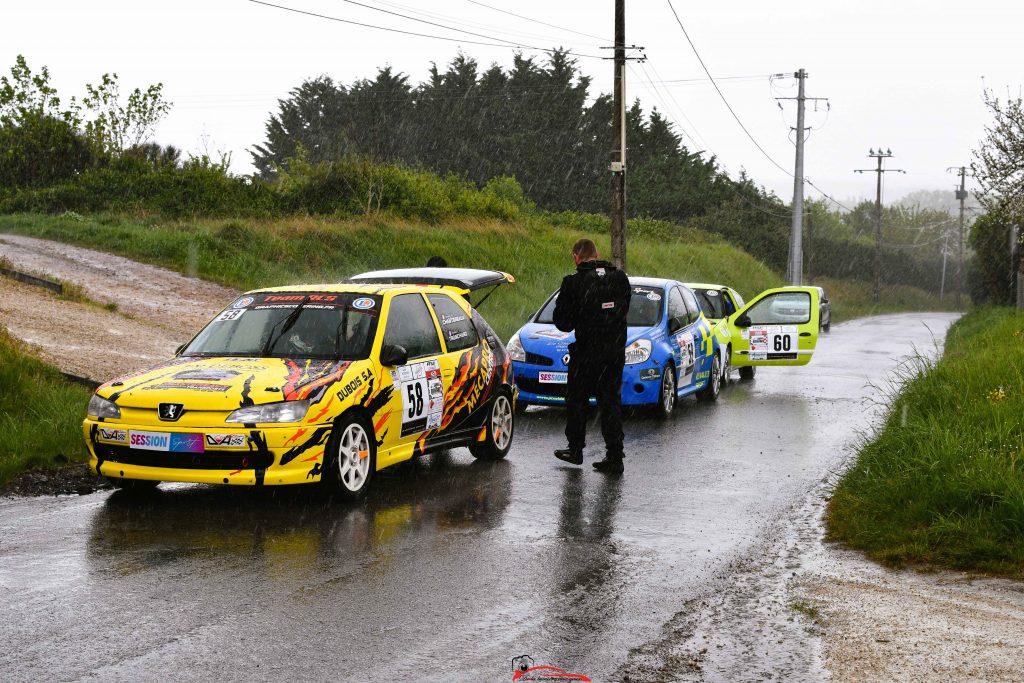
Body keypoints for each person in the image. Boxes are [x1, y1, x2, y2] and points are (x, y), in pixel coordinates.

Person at [552, 238, 631, 473]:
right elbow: (623, 310)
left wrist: (580, 311)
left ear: (577, 256)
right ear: (596, 254)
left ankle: (575, 449)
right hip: (613, 353)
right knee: (610, 403)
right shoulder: (619, 279)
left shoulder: (573, 283)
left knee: (577, 401)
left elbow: (563, 323)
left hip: (586, 353)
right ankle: (615, 456)